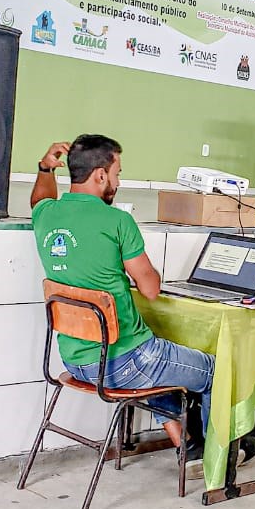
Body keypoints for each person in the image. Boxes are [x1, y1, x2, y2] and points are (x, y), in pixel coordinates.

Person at [30, 134, 220, 478]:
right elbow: (150, 289)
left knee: (162, 361)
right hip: (126, 361)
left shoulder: (46, 215)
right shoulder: (118, 221)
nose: (117, 181)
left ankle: (187, 447)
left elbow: (39, 197)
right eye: (117, 172)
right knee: (217, 371)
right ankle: (218, 465)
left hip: (76, 360)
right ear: (100, 175)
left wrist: (45, 167)